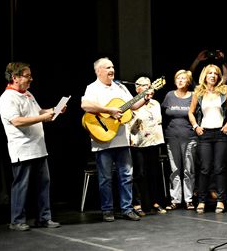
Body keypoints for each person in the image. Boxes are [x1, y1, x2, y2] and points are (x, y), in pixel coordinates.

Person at [81, 57, 152, 222]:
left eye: (112, 67)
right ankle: (107, 210)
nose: (111, 70)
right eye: (107, 67)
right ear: (98, 71)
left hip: (121, 139)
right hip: (103, 138)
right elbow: (85, 106)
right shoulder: (92, 88)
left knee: (127, 175)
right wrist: (108, 110)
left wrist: (145, 98)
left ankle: (127, 209)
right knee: (105, 178)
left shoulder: (120, 87)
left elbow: (132, 105)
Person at [0, 62, 61, 231]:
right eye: (27, 76)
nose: (31, 79)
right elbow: (17, 121)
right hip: (23, 149)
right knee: (22, 185)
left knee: (43, 183)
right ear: (15, 77)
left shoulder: (28, 94)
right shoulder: (7, 98)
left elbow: (38, 112)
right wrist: (44, 117)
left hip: (38, 147)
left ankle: (44, 218)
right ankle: (17, 220)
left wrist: (54, 110)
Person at [188, 64, 227, 214]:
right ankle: (201, 200)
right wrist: (196, 126)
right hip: (205, 134)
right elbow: (191, 112)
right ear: (205, 76)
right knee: (205, 168)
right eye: (210, 73)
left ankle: (220, 201)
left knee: (219, 168)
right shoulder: (199, 92)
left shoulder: (224, 91)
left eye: (215, 73)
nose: (213, 76)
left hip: (221, 133)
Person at [129, 76, 167, 216]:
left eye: (149, 85)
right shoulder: (132, 103)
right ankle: (138, 203)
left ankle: (155, 202)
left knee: (153, 172)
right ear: (137, 88)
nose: (147, 88)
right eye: (144, 85)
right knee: (139, 174)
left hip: (153, 142)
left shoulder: (156, 103)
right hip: (137, 143)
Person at [161, 69, 198, 210]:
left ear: (188, 81)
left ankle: (188, 199)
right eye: (178, 78)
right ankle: (175, 199)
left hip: (189, 137)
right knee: (175, 169)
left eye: (183, 78)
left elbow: (197, 114)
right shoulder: (170, 95)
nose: (180, 80)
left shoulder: (193, 96)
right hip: (172, 136)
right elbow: (163, 114)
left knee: (189, 169)